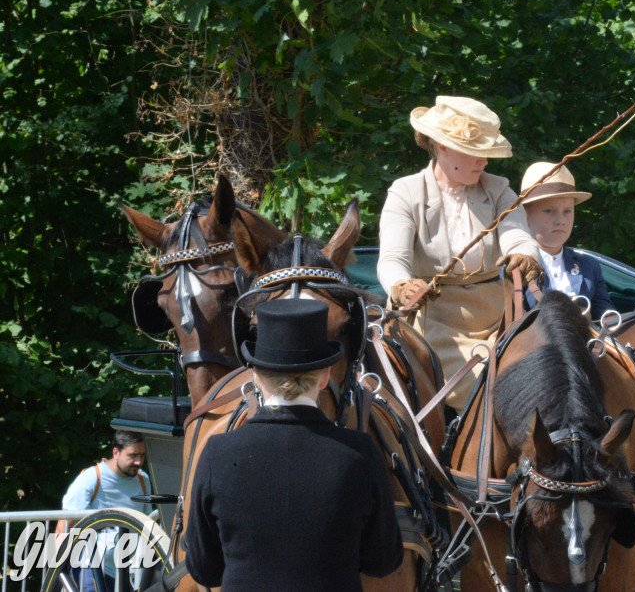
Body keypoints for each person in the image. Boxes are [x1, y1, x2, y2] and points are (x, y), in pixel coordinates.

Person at [184, 299, 403, 591]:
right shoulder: (359, 453)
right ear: (324, 377)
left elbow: (204, 569)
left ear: (256, 376)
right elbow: (383, 561)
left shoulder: (217, 452)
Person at [377, 96, 541, 407]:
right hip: (431, 323)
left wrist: (525, 255)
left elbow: (517, 234)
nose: (485, 161)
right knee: (489, 386)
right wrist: (402, 285)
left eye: (486, 153)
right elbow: (392, 260)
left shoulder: (499, 190)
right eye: (475, 152)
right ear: (442, 147)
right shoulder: (405, 192)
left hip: (499, 320)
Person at [519, 161, 615, 319]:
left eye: (567, 211)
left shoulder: (589, 266)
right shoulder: (514, 267)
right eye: (549, 211)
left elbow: (609, 320)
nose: (560, 220)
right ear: (525, 215)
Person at [59, 430, 151, 592]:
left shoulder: (143, 480)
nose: (138, 461)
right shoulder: (92, 477)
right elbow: (63, 527)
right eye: (133, 455)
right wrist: (59, 574)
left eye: (142, 456)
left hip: (124, 572)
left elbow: (148, 524)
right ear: (116, 452)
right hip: (90, 567)